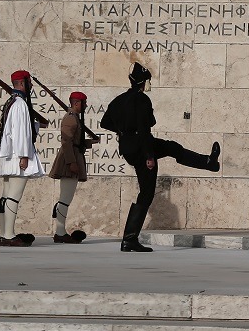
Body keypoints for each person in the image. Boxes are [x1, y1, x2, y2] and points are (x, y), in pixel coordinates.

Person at [100, 63, 221, 252]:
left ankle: (208, 162)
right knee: (146, 193)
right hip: (142, 148)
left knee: (172, 148)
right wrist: (149, 156)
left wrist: (124, 132)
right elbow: (144, 130)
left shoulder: (118, 100)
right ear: (143, 82)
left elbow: (105, 122)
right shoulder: (142, 100)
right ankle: (129, 239)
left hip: (128, 148)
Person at [0, 70, 49, 247]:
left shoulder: (12, 102)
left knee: (6, 196)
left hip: (8, 155)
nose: (31, 86)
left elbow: (20, 128)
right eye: (29, 82)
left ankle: (4, 234)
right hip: (17, 156)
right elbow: (21, 133)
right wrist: (24, 156)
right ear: (22, 84)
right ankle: (9, 235)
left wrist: (37, 124)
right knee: (13, 197)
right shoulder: (21, 104)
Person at [48, 91, 97, 244]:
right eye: (84, 103)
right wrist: (72, 162)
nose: (86, 105)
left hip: (74, 155)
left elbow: (76, 142)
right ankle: (60, 232)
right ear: (76, 103)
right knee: (65, 198)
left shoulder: (74, 118)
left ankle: (60, 231)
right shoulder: (70, 119)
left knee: (66, 198)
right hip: (70, 159)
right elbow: (66, 142)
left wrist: (91, 142)